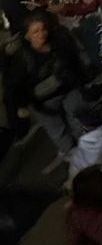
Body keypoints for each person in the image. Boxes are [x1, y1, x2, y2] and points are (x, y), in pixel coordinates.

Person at [4, 12, 95, 155]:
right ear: (27, 37)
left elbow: (73, 60)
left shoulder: (58, 42)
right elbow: (13, 89)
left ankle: (90, 149)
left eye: (42, 29)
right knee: (58, 131)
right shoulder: (21, 60)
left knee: (78, 117)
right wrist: (20, 113)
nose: (41, 34)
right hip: (42, 102)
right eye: (35, 32)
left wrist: (82, 79)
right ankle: (75, 157)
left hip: (66, 89)